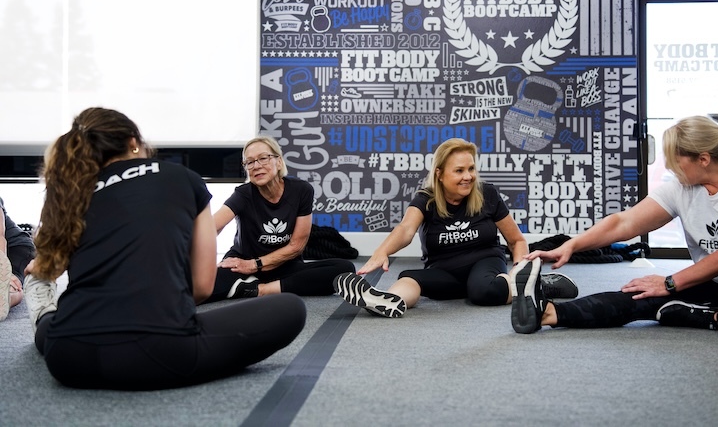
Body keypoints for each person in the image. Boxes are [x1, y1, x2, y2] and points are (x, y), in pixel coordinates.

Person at [23, 107, 306, 390]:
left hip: (67, 358)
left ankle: (42, 309)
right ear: (134, 142)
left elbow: (55, 260)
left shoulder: (74, 190)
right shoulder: (183, 177)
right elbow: (202, 287)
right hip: (159, 353)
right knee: (290, 308)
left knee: (64, 320)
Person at [510, 115, 718, 337]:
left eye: (676, 160)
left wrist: (671, 281)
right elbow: (624, 222)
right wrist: (571, 245)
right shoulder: (681, 186)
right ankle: (548, 313)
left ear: (703, 159)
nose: (671, 168)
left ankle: (710, 318)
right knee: (643, 293)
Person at [335, 138, 578, 318]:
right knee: (409, 277)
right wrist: (382, 252)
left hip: (485, 262)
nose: (468, 176)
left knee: (483, 292)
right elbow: (406, 229)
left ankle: (532, 284)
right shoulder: (426, 198)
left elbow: (516, 240)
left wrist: (518, 269)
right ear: (439, 174)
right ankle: (388, 301)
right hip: (445, 270)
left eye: (471, 169)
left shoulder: (487, 193)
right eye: (459, 170)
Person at [203, 136, 354, 303]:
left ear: (279, 162)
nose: (256, 166)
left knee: (344, 269)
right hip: (243, 265)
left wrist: (255, 264)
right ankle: (259, 285)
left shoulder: (302, 191)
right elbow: (211, 227)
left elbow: (296, 246)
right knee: (195, 289)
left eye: (263, 158)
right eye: (249, 162)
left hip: (284, 265)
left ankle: (260, 290)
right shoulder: (243, 194)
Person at [1, 196, 36, 320]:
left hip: (14, 248)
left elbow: (0, 237)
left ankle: (7, 297)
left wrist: (4, 275)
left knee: (10, 283)